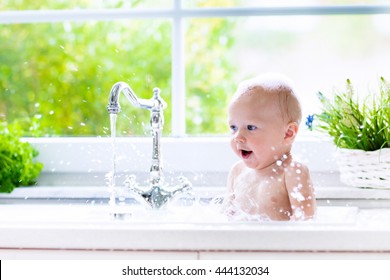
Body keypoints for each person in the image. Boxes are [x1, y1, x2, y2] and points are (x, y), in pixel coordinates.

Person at [223, 73, 316, 221]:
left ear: (288, 134)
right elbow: (225, 219)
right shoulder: (237, 171)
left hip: (278, 244)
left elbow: (306, 225)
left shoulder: (291, 172)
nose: (238, 137)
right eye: (233, 127)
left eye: (251, 127)